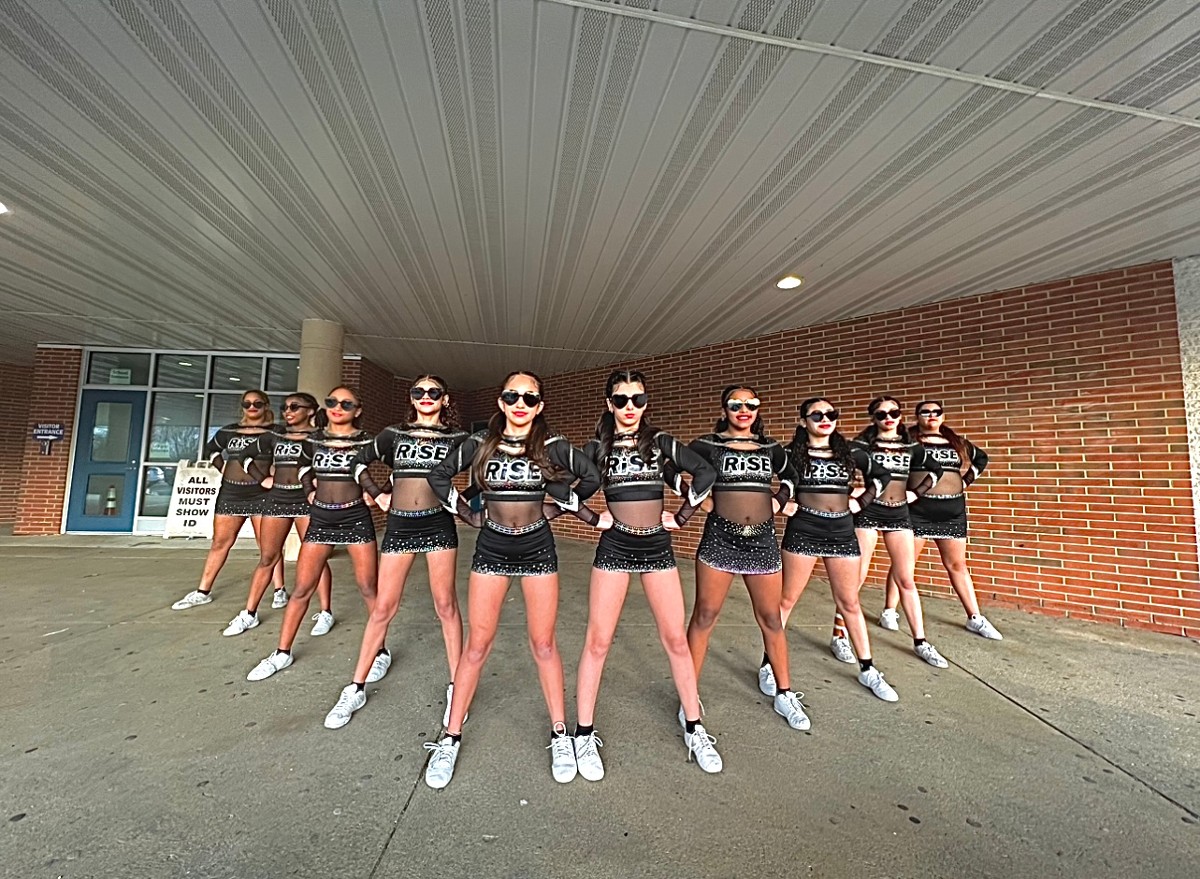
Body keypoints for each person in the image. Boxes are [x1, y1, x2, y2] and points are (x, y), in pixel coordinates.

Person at [421, 371, 600, 789]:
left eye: (529, 398)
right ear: (501, 402)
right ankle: (450, 737)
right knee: (477, 645)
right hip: (492, 548)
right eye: (512, 396)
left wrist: (554, 509)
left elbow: (590, 477)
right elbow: (439, 477)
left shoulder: (551, 445)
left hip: (537, 547)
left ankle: (560, 734)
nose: (520, 403)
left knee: (543, 644)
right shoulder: (481, 442)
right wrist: (468, 514)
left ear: (540, 406)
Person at [571, 369, 722, 779]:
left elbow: (705, 473)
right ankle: (583, 733)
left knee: (675, 640)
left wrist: (684, 515)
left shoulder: (659, 442)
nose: (630, 407)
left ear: (645, 403)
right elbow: (562, 483)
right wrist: (589, 517)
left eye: (637, 399)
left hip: (657, 546)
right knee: (598, 642)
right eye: (621, 400)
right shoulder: (597, 448)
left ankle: (695, 727)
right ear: (609, 404)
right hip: (615, 547)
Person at [324, 375, 470, 730]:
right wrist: (378, 493)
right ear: (411, 397)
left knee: (446, 605)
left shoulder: (457, 438)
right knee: (383, 607)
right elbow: (358, 462)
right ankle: (356, 687)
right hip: (400, 525)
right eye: (418, 391)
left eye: (433, 392)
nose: (425, 396)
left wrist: (461, 503)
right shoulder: (394, 434)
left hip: (438, 525)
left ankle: (459, 687)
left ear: (445, 399)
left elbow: (481, 469)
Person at [679, 385, 811, 733]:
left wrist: (779, 501)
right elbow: (670, 467)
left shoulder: (770, 448)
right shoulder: (708, 445)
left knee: (771, 618)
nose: (743, 410)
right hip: (720, 539)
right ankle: (688, 696)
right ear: (724, 409)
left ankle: (784, 693)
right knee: (705, 615)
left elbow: (792, 476)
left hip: (762, 542)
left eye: (750, 404)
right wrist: (698, 499)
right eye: (735, 404)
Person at [246, 387, 385, 682]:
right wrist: (308, 489)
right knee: (301, 589)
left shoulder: (367, 440)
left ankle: (380, 651)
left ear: (358, 410)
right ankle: (282, 652)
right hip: (321, 518)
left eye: (346, 404)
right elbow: (303, 466)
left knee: (368, 588)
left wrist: (379, 493)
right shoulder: (314, 440)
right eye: (332, 402)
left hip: (355, 518)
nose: (338, 407)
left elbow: (400, 466)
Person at [777, 398, 899, 701]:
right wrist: (780, 503)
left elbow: (882, 477)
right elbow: (756, 481)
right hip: (804, 529)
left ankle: (868, 668)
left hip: (842, 532)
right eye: (816, 415)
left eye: (830, 414)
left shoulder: (851, 452)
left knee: (850, 602)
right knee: (786, 601)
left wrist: (861, 501)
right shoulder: (790, 453)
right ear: (803, 421)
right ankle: (770, 664)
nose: (825, 419)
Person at [839, 396, 948, 670]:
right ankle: (839, 635)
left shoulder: (911, 446)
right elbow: (837, 469)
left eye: (894, 412)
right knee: (855, 580)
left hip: (899, 515)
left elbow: (936, 470)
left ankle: (921, 641)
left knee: (906, 579)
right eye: (881, 414)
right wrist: (852, 491)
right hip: (869, 514)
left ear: (900, 416)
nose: (888, 417)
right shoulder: (862, 446)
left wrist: (916, 492)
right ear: (873, 418)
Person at [880, 401, 1002, 640]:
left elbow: (981, 458)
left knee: (957, 565)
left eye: (937, 412)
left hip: (952, 512)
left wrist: (965, 481)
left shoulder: (955, 441)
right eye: (925, 412)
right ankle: (889, 610)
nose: (931, 415)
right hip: (917, 511)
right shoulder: (907, 441)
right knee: (904, 564)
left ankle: (975, 617)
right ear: (917, 417)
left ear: (943, 416)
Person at [220, 393, 334, 637]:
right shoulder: (276, 435)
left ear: (311, 411)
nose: (288, 411)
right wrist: (262, 478)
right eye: (285, 407)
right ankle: (249, 613)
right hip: (277, 499)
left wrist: (319, 484)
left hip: (306, 501)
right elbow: (243, 456)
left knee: (316, 558)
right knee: (267, 557)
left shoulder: (320, 437)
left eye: (294, 407)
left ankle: (325, 612)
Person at [170, 390, 273, 610]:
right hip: (231, 492)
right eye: (247, 404)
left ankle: (279, 590)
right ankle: (203, 591)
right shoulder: (230, 430)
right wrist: (222, 466)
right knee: (220, 542)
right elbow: (211, 449)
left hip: (262, 493)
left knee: (268, 546)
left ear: (266, 406)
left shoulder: (275, 432)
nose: (252, 407)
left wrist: (274, 474)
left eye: (257, 403)